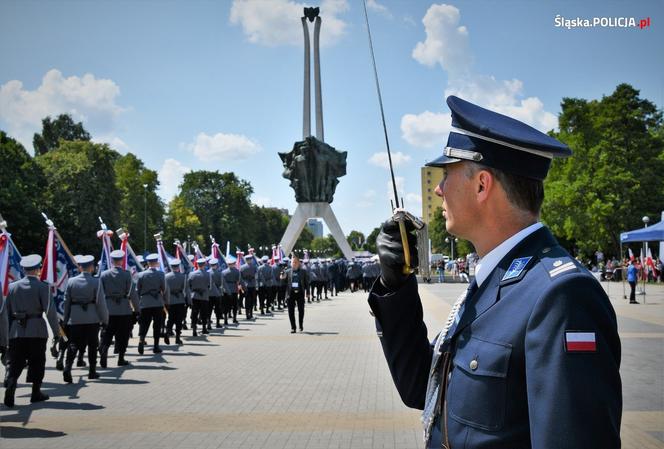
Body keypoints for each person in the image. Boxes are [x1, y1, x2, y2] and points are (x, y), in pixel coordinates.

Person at [368, 95, 621, 449]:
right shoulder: (496, 280)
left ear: (482, 185)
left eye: (447, 174)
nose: (439, 189)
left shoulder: (561, 295)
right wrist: (396, 286)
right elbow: (423, 389)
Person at [2, 255, 61, 407]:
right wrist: (57, 333)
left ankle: (11, 383)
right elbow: (50, 312)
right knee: (37, 361)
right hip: (36, 330)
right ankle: (35, 393)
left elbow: (6, 313)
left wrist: (7, 334)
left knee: (15, 362)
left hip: (16, 331)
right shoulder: (43, 287)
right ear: (37, 269)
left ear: (23, 269)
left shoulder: (13, 287)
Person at [62, 255, 108, 382]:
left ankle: (67, 368)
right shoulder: (96, 281)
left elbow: (66, 302)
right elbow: (101, 303)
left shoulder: (71, 281)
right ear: (92, 267)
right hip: (92, 319)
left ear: (80, 267)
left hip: (75, 319)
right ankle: (92, 372)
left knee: (73, 344)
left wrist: (65, 320)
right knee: (92, 345)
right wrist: (105, 320)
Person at [99, 249, 138, 367]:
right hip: (123, 309)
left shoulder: (104, 274)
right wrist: (137, 309)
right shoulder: (127, 274)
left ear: (111, 260)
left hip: (108, 309)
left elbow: (100, 293)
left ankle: (104, 352)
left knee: (107, 333)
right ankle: (121, 358)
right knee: (123, 335)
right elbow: (132, 293)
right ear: (121, 261)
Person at [136, 253, 167, 354]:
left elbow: (138, 290)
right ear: (156, 263)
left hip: (145, 302)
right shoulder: (161, 274)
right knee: (157, 325)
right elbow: (164, 288)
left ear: (148, 263)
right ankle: (156, 346)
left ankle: (141, 340)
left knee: (144, 323)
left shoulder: (141, 274)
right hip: (157, 302)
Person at [165, 258, 190, 344]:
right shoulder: (183, 277)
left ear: (171, 267)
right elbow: (187, 291)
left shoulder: (166, 276)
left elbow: (164, 290)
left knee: (171, 318)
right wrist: (189, 301)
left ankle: (168, 332)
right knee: (179, 319)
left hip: (169, 300)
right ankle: (177, 338)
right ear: (178, 267)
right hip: (180, 300)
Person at [282, 255, 309, 333]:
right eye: (292, 262)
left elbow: (306, 282)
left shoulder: (303, 271)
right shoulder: (287, 271)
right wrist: (282, 278)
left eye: (295, 262)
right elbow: (283, 282)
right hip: (291, 293)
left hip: (300, 293)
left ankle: (300, 325)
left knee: (301, 310)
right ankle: (293, 327)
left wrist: (308, 292)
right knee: (291, 311)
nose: (294, 264)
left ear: (298, 263)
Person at [188, 258, 211, 335]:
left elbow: (189, 285)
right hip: (204, 296)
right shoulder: (208, 274)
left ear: (197, 265)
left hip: (194, 295)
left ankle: (194, 329)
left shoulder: (191, 274)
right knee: (204, 313)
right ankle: (204, 328)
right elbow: (209, 286)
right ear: (204, 265)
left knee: (194, 312)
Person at [222, 257, 240, 325]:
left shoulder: (223, 272)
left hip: (226, 290)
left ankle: (225, 319)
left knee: (226, 305)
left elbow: (223, 282)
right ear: (233, 264)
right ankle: (234, 318)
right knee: (234, 305)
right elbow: (238, 281)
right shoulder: (237, 271)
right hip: (234, 289)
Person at [239, 255, 257, 320]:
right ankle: (251, 313)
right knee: (252, 300)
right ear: (251, 260)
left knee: (247, 300)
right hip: (252, 284)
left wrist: (242, 285)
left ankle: (247, 314)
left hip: (245, 285)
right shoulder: (254, 266)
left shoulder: (242, 267)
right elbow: (256, 275)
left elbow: (240, 278)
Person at [208, 258, 224, 328]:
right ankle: (217, 323)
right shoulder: (220, 273)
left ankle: (208, 323)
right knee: (218, 309)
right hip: (217, 293)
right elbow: (221, 283)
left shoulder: (207, 272)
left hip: (209, 293)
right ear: (216, 265)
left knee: (209, 309)